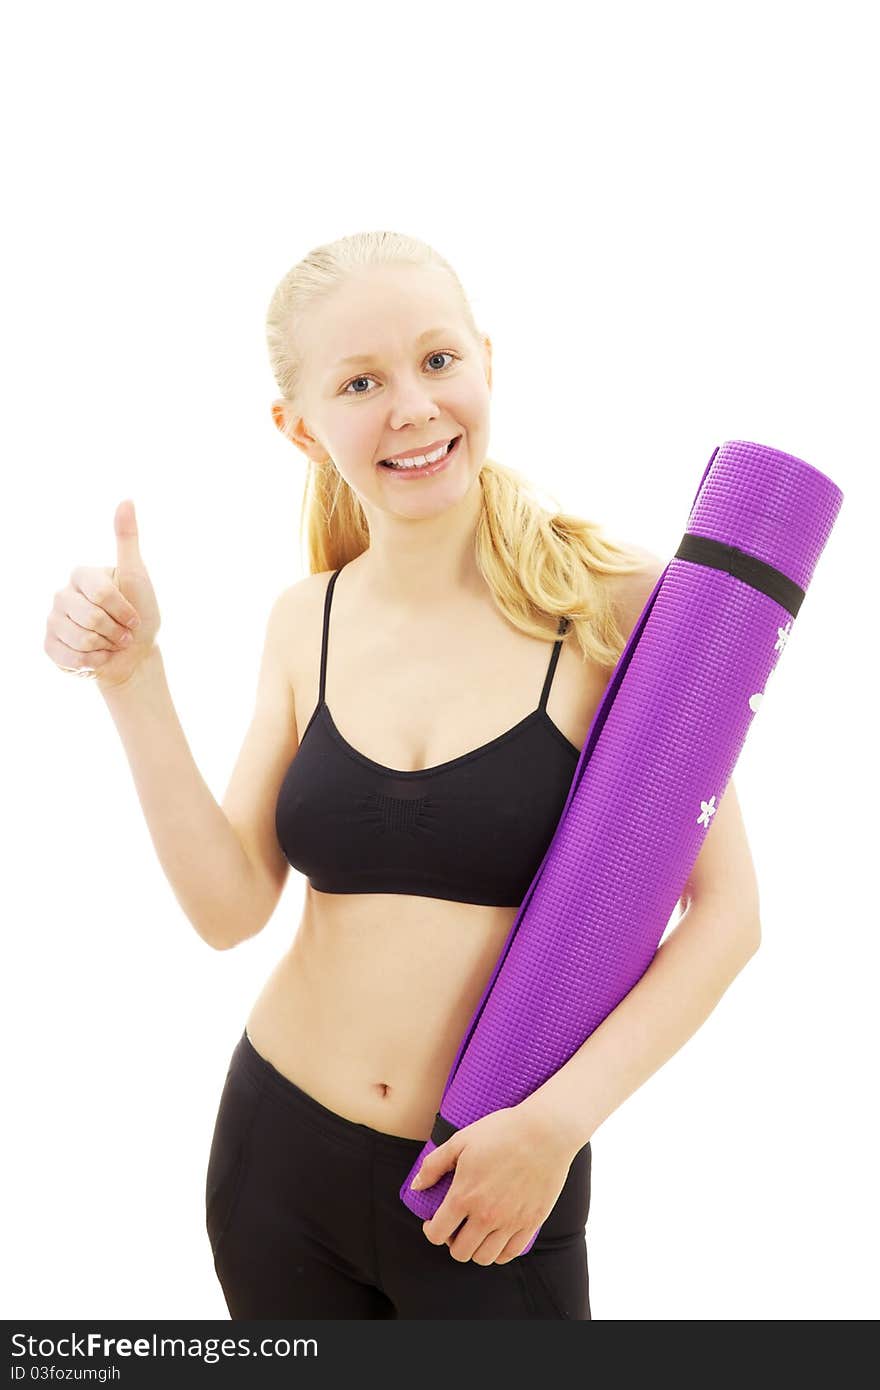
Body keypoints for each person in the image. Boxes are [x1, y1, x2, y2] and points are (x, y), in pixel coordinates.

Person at [44, 230, 670, 1319]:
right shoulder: (306, 624)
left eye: (437, 361)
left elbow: (729, 919)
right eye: (361, 381)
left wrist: (559, 1124)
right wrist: (133, 679)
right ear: (300, 426)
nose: (414, 407)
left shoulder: (611, 607)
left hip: (491, 1184)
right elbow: (230, 906)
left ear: (486, 359)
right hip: (278, 1162)